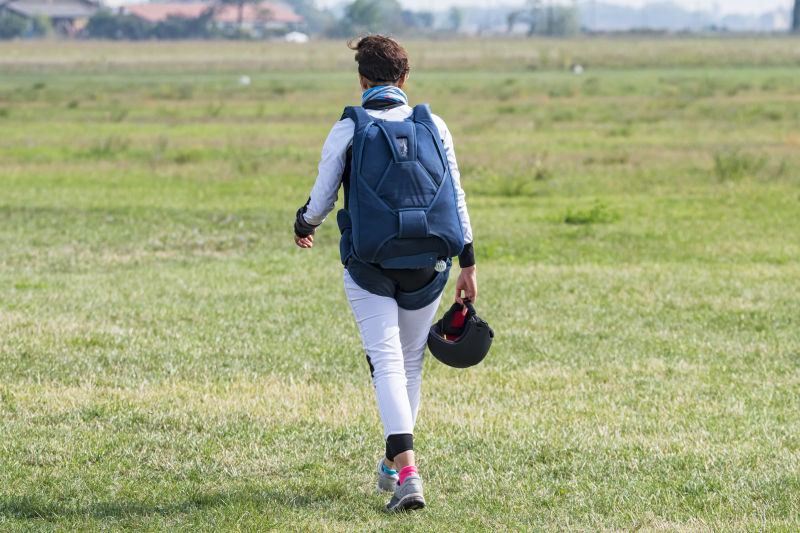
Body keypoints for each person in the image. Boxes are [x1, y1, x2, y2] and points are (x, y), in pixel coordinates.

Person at [293, 35, 476, 512]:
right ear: (404, 78)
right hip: (430, 266)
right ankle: (393, 466)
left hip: (370, 265)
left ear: (362, 79)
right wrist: (469, 263)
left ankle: (409, 475)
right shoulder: (432, 124)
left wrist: (304, 223)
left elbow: (322, 195)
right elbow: (456, 196)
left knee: (387, 362)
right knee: (409, 362)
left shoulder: (350, 126)